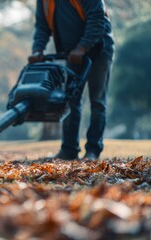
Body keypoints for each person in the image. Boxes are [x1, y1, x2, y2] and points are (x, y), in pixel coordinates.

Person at [28, 0, 114, 161]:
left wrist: (82, 48)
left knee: (97, 101)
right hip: (72, 53)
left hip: (100, 49)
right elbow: (42, 25)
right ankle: (69, 150)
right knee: (70, 100)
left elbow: (97, 19)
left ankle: (93, 150)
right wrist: (37, 49)